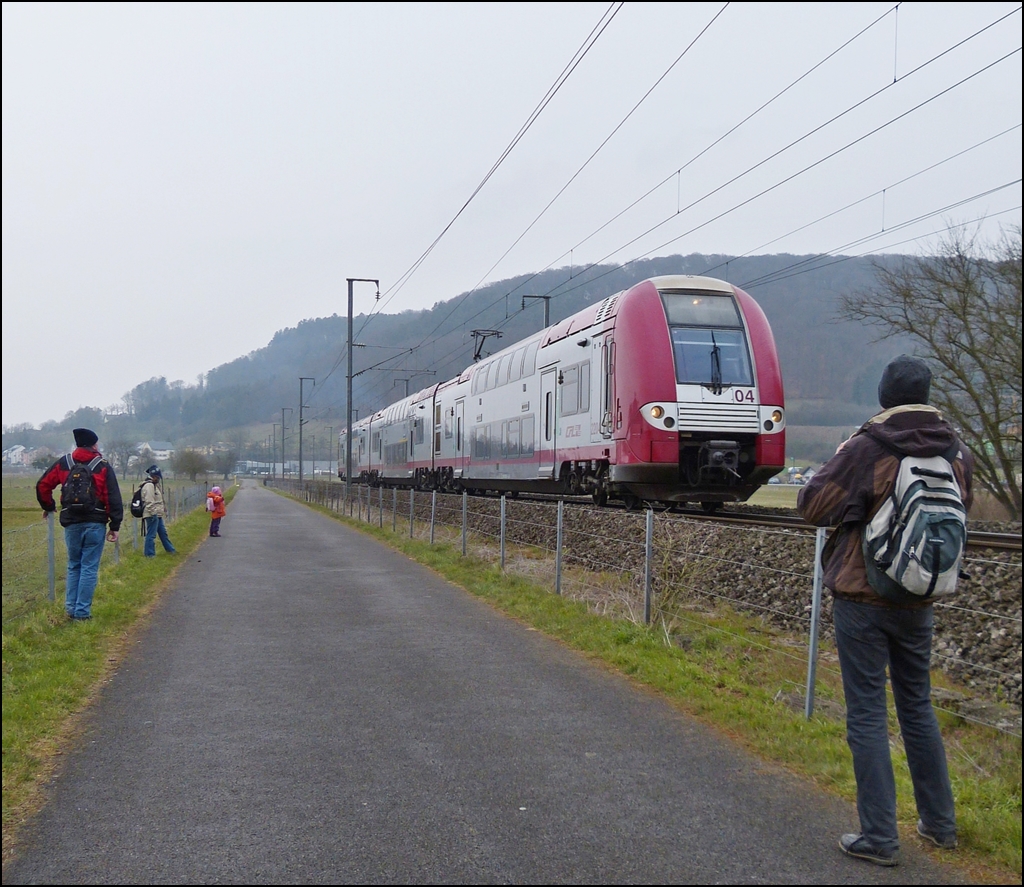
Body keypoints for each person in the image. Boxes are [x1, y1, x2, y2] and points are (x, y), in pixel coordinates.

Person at [797, 354, 973, 867]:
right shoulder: (956, 449)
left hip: (863, 594)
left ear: (884, 395)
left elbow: (812, 505)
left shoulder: (868, 446)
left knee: (869, 713)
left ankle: (879, 836)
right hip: (920, 596)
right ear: (927, 392)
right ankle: (940, 825)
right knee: (918, 707)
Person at [35, 428, 123, 620]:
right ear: (93, 445)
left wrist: (49, 506)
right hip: (95, 522)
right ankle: (82, 613)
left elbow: (42, 485)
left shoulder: (64, 463)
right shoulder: (102, 465)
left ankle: (70, 609)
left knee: (74, 565)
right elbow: (113, 497)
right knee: (89, 567)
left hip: (71, 521)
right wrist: (114, 526)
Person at [140, 465, 176, 557]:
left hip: (157, 514)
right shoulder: (149, 486)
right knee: (151, 535)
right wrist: (154, 513)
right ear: (154, 476)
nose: (159, 479)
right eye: (158, 477)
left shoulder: (154, 485)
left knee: (163, 533)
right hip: (152, 514)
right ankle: (149, 554)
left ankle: (170, 550)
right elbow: (149, 501)